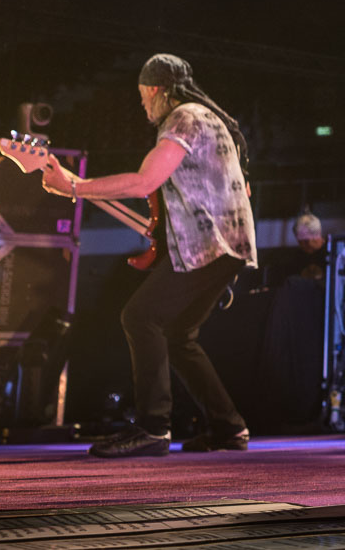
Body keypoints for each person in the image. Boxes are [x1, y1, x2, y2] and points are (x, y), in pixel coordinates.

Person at [41, 53, 257, 457]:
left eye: (143, 97)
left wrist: (74, 186)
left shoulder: (183, 118)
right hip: (230, 245)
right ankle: (228, 427)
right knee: (178, 336)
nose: (143, 107)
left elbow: (144, 182)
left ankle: (153, 428)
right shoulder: (209, 118)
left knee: (140, 317)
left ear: (155, 90)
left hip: (208, 245)